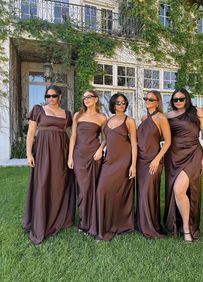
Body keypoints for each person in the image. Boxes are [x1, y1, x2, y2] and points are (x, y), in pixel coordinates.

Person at [24, 85, 75, 244]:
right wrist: (29, 153)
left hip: (61, 152)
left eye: (54, 96)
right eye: (48, 96)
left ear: (60, 97)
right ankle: (41, 219)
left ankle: (60, 217)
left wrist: (72, 155)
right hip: (44, 152)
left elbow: (70, 135)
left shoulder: (66, 114)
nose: (51, 99)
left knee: (60, 184)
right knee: (43, 183)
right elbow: (31, 132)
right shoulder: (38, 110)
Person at [164, 88, 203, 242]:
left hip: (193, 154)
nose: (178, 102)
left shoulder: (197, 112)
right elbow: (156, 127)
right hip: (174, 156)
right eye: (175, 100)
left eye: (181, 99)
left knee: (179, 190)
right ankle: (178, 224)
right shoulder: (168, 116)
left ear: (187, 98)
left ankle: (186, 229)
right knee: (178, 192)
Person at [96, 93, 137, 241]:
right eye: (118, 103)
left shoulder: (129, 121)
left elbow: (134, 143)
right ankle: (104, 224)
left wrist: (133, 164)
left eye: (124, 102)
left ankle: (122, 224)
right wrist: (100, 149)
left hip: (124, 160)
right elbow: (105, 140)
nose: (121, 105)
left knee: (120, 191)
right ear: (113, 105)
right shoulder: (107, 121)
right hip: (109, 160)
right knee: (102, 189)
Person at [68, 90, 106, 236]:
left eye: (89, 97)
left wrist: (100, 150)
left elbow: (106, 138)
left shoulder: (102, 117)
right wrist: (70, 157)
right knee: (83, 189)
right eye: (84, 97)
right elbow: (73, 136)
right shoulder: (78, 115)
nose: (86, 99)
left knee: (93, 187)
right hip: (79, 155)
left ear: (96, 99)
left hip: (94, 156)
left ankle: (92, 220)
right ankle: (84, 221)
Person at [136, 90, 171, 239]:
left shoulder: (161, 118)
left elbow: (168, 141)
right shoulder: (144, 118)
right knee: (141, 192)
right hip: (140, 160)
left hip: (153, 160)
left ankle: (151, 226)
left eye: (151, 99)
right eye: (146, 98)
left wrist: (157, 159)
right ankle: (142, 224)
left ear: (157, 102)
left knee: (148, 193)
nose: (148, 101)